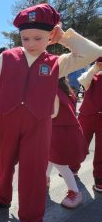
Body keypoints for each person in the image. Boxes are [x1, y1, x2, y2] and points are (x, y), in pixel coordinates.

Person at [0, 3, 102, 222]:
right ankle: (2, 198)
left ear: (50, 36)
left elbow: (92, 52)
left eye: (38, 37)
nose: (31, 42)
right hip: (5, 120)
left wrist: (65, 36)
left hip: (39, 126)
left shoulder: (57, 62)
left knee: (33, 173)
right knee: (4, 161)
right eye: (25, 38)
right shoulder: (7, 56)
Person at [46, 77, 88, 208]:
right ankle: (44, 179)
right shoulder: (66, 89)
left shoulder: (53, 91)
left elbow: (52, 114)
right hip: (66, 130)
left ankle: (75, 192)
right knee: (50, 158)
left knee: (60, 164)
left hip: (60, 132)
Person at [76, 58, 102, 192]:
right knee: (80, 143)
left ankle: (99, 177)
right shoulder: (92, 76)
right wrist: (95, 68)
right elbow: (82, 81)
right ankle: (73, 167)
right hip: (87, 115)